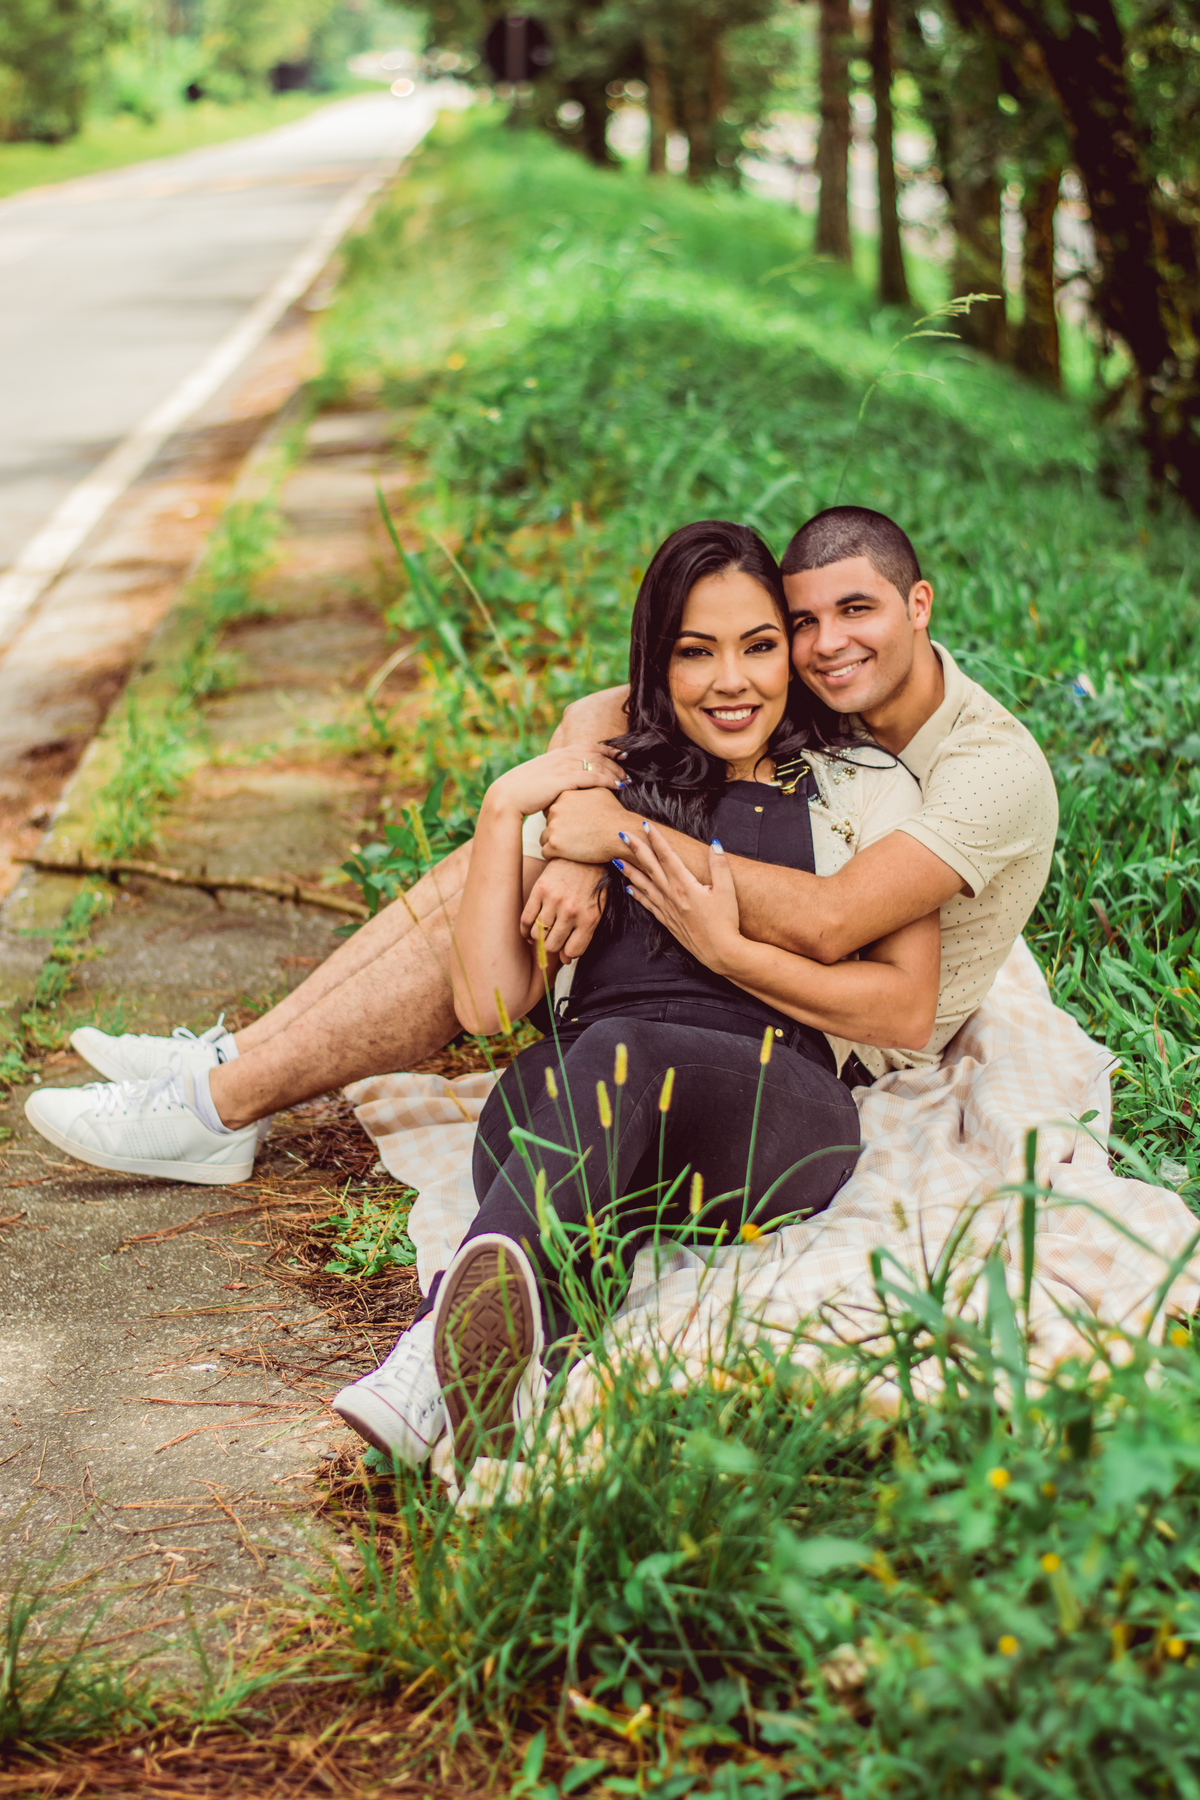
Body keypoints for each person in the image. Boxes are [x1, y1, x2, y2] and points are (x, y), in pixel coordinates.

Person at [25, 505, 1056, 1181]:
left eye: (860, 612)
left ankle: (221, 1102)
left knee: (507, 884)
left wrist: (615, 836)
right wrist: (568, 844)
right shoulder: (820, 694)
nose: (828, 646)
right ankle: (232, 1064)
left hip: (831, 1032)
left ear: (919, 606)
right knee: (490, 873)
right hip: (735, 961)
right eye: (804, 622)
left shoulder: (985, 767)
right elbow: (619, 703)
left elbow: (835, 924)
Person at [327, 520, 940, 1466]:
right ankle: (517, 1373)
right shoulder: (602, 785)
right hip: (582, 1091)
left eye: (760, 646)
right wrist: (506, 813)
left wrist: (696, 921)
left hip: (775, 1106)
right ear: (656, 662)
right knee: (566, 1115)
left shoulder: (856, 789)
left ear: (790, 650)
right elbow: (491, 1010)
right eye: (696, 653)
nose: (731, 682)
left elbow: (905, 1009)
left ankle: (422, 1350)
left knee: (616, 1064)